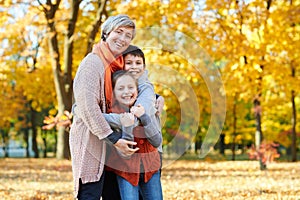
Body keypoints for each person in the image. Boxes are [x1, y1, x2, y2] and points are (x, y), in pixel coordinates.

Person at [69, 14, 138, 200]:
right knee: (89, 194)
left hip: (113, 149)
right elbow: (86, 106)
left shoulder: (119, 65)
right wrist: (114, 138)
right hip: (92, 141)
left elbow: (133, 89)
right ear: (106, 33)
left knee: (113, 195)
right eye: (119, 32)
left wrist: (157, 98)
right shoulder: (93, 63)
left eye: (128, 36)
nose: (123, 39)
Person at [102, 45, 164, 200]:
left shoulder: (146, 88)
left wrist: (140, 116)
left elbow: (152, 135)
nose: (134, 67)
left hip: (150, 158)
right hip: (125, 165)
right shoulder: (112, 97)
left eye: (138, 63)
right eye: (129, 63)